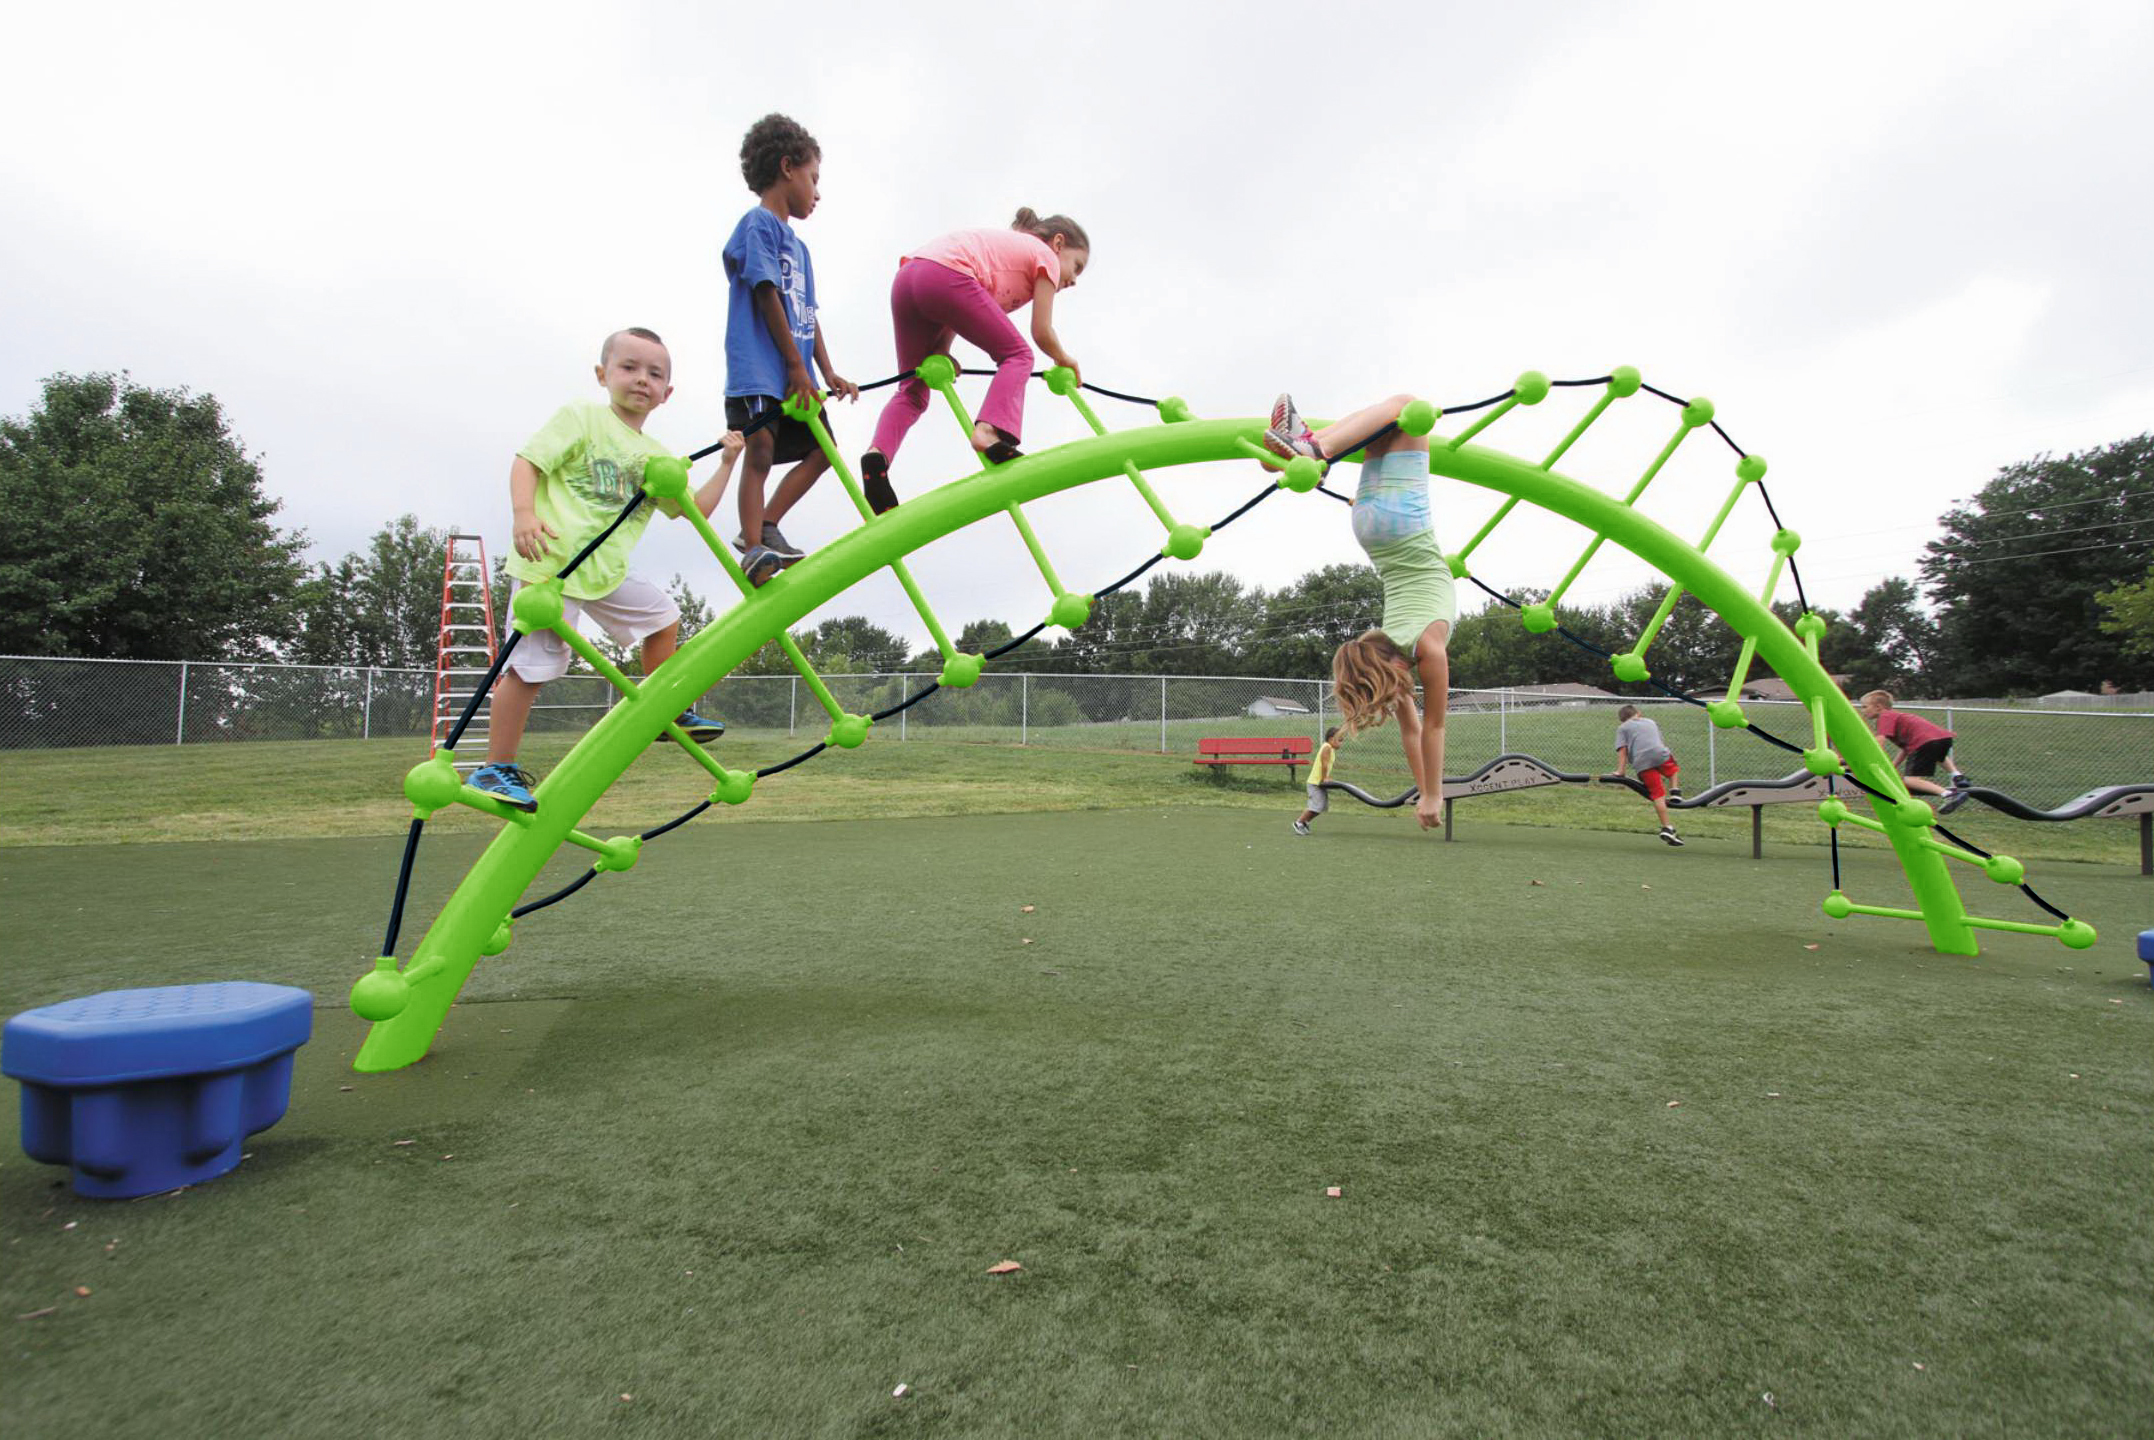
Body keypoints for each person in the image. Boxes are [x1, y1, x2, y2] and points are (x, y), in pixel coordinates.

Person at [467, 328, 742, 814]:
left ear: (667, 393)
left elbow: (694, 509)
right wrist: (524, 515)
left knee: (663, 615)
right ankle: (496, 766)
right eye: (629, 368)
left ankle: (665, 712)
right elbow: (526, 462)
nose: (642, 379)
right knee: (530, 669)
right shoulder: (581, 418)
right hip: (550, 564)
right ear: (603, 374)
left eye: (655, 374)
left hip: (604, 570)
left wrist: (726, 462)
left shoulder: (657, 455)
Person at [1265, 394, 1451, 831]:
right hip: (1370, 529)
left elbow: (1430, 729)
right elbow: (1414, 734)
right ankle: (1299, 448)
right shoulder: (1394, 648)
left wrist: (1431, 794)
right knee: (1385, 429)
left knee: (1409, 404)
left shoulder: (1427, 647)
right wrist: (1425, 794)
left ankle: (1311, 448)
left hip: (1405, 522)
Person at [858, 209, 1089, 513]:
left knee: (912, 391)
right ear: (1058, 243)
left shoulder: (1007, 254)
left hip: (909, 278)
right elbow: (1041, 331)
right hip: (946, 276)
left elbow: (960, 307)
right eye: (1077, 266)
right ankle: (988, 432)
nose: (1073, 280)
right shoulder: (1044, 255)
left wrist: (940, 349)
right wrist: (1064, 358)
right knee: (1019, 355)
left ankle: (877, 456)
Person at [723, 113, 858, 584]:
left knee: (824, 452)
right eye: (813, 178)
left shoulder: (800, 250)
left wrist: (828, 370)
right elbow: (766, 292)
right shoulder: (758, 225)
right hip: (762, 368)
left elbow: (808, 312)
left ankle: (765, 524)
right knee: (759, 448)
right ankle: (753, 546)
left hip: (798, 373)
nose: (817, 192)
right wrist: (795, 366)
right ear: (787, 168)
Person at [1858, 690, 1969, 798]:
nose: (1862, 710)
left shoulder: (1885, 716)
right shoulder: (1896, 717)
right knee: (1938, 755)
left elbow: (1880, 741)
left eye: (1864, 707)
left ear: (1878, 707)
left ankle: (1948, 794)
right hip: (1942, 738)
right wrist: (1892, 767)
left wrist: (1869, 757)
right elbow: (1906, 749)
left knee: (1910, 781)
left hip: (1925, 742)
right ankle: (1957, 775)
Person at [1612, 704, 1684, 846]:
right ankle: (1675, 790)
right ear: (1639, 713)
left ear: (1622, 719)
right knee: (1673, 769)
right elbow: (1660, 742)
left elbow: (1622, 751)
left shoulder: (1622, 728)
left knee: (1658, 795)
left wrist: (1621, 771)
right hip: (1659, 753)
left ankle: (1667, 827)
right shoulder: (1650, 722)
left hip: (1641, 762)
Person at [1293, 727, 1343, 836]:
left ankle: (1305, 822)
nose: (1341, 743)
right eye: (1340, 740)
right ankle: (1298, 823)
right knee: (1315, 806)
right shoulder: (1327, 747)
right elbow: (1324, 764)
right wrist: (1325, 778)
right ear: (1331, 739)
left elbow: (1326, 765)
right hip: (1315, 782)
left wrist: (1327, 778)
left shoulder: (1331, 749)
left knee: (1321, 806)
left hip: (1319, 782)